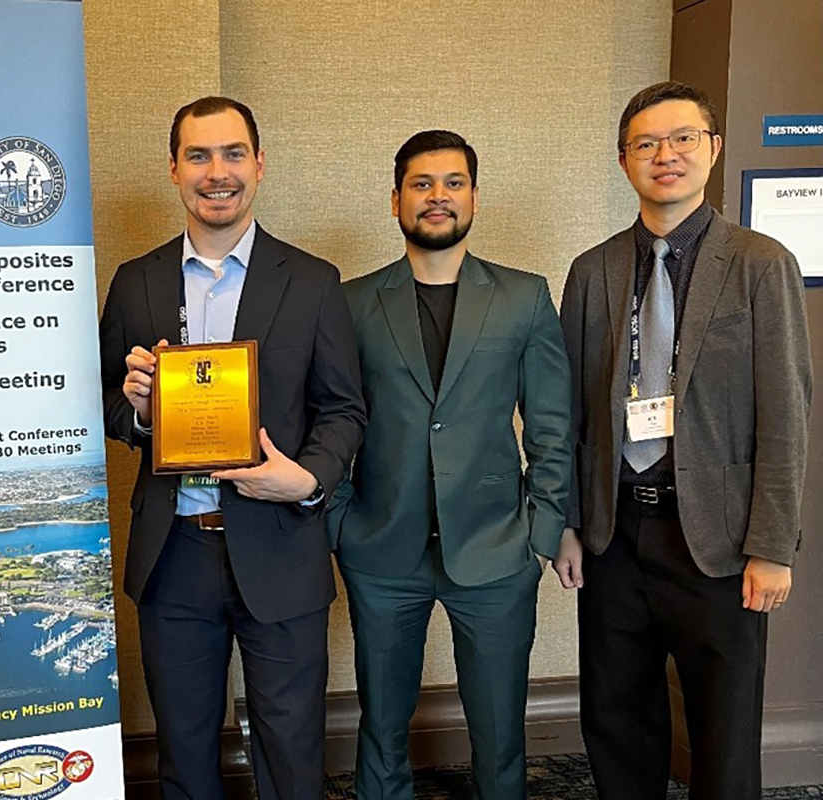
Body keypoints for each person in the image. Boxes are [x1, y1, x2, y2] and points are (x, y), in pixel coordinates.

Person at [98, 96, 366, 800]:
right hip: (174, 555)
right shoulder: (136, 281)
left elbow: (344, 410)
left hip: (280, 544)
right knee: (183, 751)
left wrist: (306, 479)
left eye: (233, 153)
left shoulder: (312, 282)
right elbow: (107, 410)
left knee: (291, 747)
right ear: (174, 169)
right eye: (198, 156)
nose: (217, 172)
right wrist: (141, 414)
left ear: (260, 163)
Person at [557, 80, 812, 800]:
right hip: (614, 536)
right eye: (646, 143)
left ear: (713, 149)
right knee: (616, 719)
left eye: (682, 140)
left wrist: (771, 546)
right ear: (623, 159)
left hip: (720, 541)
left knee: (723, 732)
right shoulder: (593, 270)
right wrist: (569, 525)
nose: (664, 155)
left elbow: (786, 411)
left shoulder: (761, 264)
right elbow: (571, 409)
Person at [329, 130, 572, 800]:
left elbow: (552, 423)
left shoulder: (524, 297)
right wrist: (339, 523)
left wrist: (543, 528)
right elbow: (325, 419)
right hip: (381, 549)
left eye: (454, 182)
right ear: (395, 200)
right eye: (421, 184)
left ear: (473, 196)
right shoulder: (350, 303)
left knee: (500, 731)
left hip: (496, 550)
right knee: (380, 727)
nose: (438, 197)